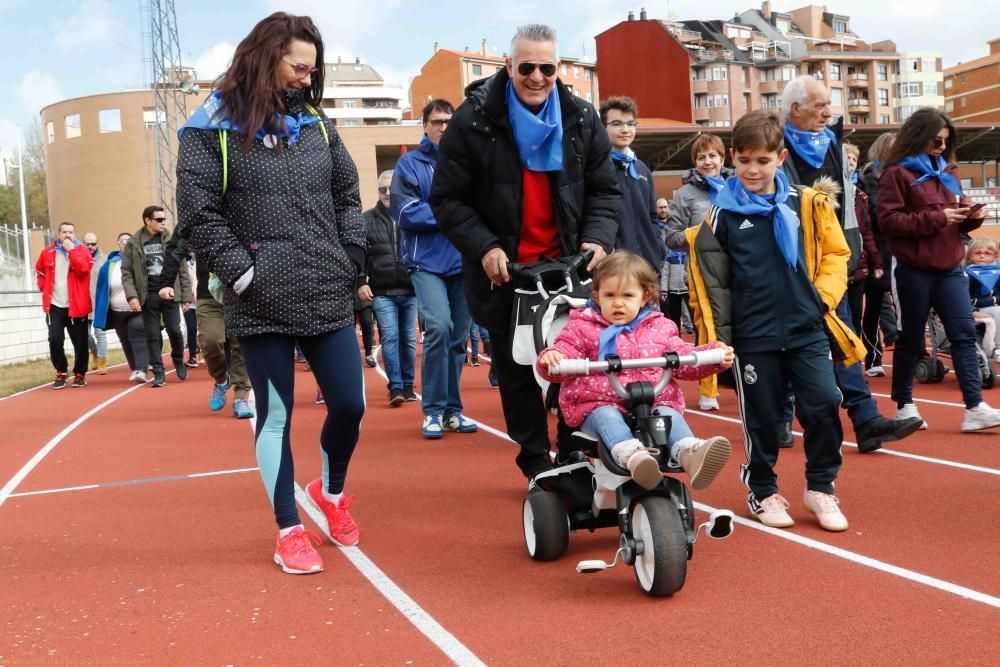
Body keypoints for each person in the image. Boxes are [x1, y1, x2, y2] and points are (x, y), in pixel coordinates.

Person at [176, 11, 367, 575]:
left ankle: (330, 494)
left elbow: (348, 197)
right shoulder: (210, 128)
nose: (308, 78)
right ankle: (288, 528)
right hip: (259, 299)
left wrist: (352, 257)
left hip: (326, 288)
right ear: (265, 58)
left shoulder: (317, 123)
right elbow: (199, 213)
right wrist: (242, 274)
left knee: (351, 406)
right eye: (297, 66)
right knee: (276, 417)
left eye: (313, 68)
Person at [430, 23, 621, 479]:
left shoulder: (580, 116)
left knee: (577, 368)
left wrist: (596, 239)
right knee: (518, 375)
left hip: (569, 268)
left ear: (559, 70)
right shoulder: (471, 120)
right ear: (509, 65)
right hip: (507, 274)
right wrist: (485, 247)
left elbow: (604, 191)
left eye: (548, 68)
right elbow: (447, 199)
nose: (538, 77)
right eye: (528, 67)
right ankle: (535, 461)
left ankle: (574, 452)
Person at [687, 110, 865, 531]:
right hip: (755, 336)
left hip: (807, 329)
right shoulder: (721, 215)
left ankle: (821, 486)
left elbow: (838, 254)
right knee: (764, 419)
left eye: (763, 160)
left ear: (781, 157)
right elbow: (713, 286)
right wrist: (719, 342)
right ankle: (763, 488)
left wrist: (821, 298)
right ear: (733, 157)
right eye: (745, 160)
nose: (753, 169)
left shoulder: (807, 203)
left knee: (824, 404)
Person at [779, 75, 921, 453]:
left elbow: (847, 213)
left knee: (844, 339)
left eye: (829, 104)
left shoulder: (833, 145)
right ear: (796, 109)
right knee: (787, 343)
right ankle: (779, 414)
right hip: (787, 265)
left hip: (831, 263)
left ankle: (865, 419)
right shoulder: (773, 146)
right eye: (820, 105)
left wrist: (850, 253)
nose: (828, 112)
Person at [536, 251, 733, 490]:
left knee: (667, 413)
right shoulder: (581, 327)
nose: (618, 303)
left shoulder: (660, 327)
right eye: (610, 295)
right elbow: (565, 351)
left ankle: (689, 452)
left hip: (651, 403)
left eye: (628, 295)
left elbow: (682, 359)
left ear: (644, 297)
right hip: (597, 405)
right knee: (606, 413)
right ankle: (633, 456)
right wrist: (554, 358)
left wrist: (711, 356)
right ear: (597, 297)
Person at [877, 108, 1000, 432]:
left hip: (950, 266)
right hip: (914, 269)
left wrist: (970, 217)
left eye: (946, 142)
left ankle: (974, 407)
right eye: (936, 140)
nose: (941, 147)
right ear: (918, 137)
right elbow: (889, 222)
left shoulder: (948, 170)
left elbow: (953, 213)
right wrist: (939, 218)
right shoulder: (897, 173)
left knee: (962, 334)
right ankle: (904, 404)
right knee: (911, 338)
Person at [391, 99, 478, 439]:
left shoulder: (468, 163)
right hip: (425, 263)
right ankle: (431, 410)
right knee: (439, 328)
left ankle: (452, 410)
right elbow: (405, 213)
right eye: (437, 121)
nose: (444, 126)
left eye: (449, 121)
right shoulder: (409, 164)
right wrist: (454, 213)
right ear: (425, 125)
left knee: (458, 338)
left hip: (464, 262)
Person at [664, 134, 729, 412]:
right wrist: (697, 234)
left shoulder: (736, 189)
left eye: (713, 155)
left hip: (738, 269)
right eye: (701, 157)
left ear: (722, 158)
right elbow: (671, 237)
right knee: (708, 329)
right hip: (703, 274)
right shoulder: (683, 195)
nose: (708, 161)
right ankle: (708, 389)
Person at [159, 238, 254, 419]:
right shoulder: (197, 216)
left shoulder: (242, 212)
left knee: (240, 346)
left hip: (240, 294)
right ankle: (221, 380)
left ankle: (241, 397)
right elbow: (174, 250)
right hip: (208, 296)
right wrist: (166, 282)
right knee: (210, 341)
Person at [360, 169, 418, 406]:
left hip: (411, 289)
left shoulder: (412, 216)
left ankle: (408, 385)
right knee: (391, 338)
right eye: (382, 189)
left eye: (390, 189)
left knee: (409, 340)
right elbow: (360, 252)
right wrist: (361, 280)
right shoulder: (367, 219)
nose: (386, 193)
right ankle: (395, 387)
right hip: (382, 291)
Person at [121, 206, 193, 387]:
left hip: (170, 293)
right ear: (147, 220)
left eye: (164, 219)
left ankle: (178, 358)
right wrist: (132, 296)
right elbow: (126, 272)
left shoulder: (171, 239)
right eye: (159, 219)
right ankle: (159, 372)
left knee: (175, 331)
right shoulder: (134, 242)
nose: (163, 222)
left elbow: (182, 269)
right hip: (148, 296)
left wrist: (185, 296)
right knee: (153, 336)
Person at [600, 96, 664, 272]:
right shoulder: (596, 166)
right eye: (617, 123)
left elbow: (652, 216)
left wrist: (657, 248)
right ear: (603, 127)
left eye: (630, 123)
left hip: (648, 264)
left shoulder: (642, 169)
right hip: (615, 266)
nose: (625, 129)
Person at [856, 132, 898, 376]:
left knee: (905, 306)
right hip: (877, 251)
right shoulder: (869, 178)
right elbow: (874, 212)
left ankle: (914, 354)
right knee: (872, 307)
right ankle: (873, 358)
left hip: (899, 250)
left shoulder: (903, 175)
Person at [35, 221, 93, 388]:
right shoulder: (47, 253)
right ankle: (61, 371)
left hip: (76, 306)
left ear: (74, 235)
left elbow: (83, 270)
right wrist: (43, 286)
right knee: (54, 338)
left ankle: (80, 374)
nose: (68, 235)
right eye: (64, 232)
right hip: (54, 305)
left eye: (71, 232)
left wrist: (71, 251)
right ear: (58, 234)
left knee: (80, 341)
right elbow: (39, 272)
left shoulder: (82, 251)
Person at [94, 232, 150, 383]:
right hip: (117, 311)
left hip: (138, 309)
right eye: (122, 241)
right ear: (118, 244)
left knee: (136, 334)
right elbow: (101, 288)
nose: (125, 243)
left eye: (129, 240)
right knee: (125, 339)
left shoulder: (141, 261)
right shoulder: (109, 265)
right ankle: (135, 369)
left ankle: (142, 369)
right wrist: (99, 310)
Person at [843, 143, 882, 346]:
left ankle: (852, 367)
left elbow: (866, 231)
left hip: (859, 265)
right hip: (836, 266)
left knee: (856, 315)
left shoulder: (861, 196)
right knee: (838, 319)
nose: (850, 162)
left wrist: (875, 262)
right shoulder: (829, 192)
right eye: (846, 157)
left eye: (854, 159)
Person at [965, 238, 1000, 360]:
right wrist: (973, 310)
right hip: (977, 309)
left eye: (987, 253)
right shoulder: (966, 273)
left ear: (994, 256)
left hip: (994, 305)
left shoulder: (998, 271)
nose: (982, 256)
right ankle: (998, 348)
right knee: (998, 312)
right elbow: (962, 297)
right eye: (978, 253)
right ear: (970, 255)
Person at [83, 232, 109, 375]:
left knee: (100, 334)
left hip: (99, 303)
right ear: (83, 244)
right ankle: (93, 351)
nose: (90, 246)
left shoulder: (104, 260)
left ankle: (101, 362)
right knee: (84, 335)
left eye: (93, 244)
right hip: (83, 304)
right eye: (88, 244)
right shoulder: (78, 258)